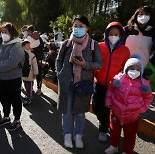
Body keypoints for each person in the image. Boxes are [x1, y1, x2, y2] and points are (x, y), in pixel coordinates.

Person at [56, 15, 102, 149]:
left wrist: (85, 64)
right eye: (75, 26)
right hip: (66, 82)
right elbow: (58, 60)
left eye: (81, 26)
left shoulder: (93, 44)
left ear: (87, 28)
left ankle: (78, 135)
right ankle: (67, 134)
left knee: (81, 112)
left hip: (83, 83)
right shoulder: (67, 43)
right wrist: (60, 74)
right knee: (67, 110)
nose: (78, 28)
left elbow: (99, 64)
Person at [105, 56, 153, 154]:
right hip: (116, 112)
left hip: (132, 116)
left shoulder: (143, 84)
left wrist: (142, 108)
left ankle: (127, 150)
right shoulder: (118, 79)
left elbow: (148, 98)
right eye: (132, 68)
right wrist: (109, 101)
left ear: (141, 71)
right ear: (126, 68)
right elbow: (111, 89)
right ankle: (114, 146)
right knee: (114, 131)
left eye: (137, 69)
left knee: (130, 135)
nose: (134, 71)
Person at [92, 22, 130, 142]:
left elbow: (125, 69)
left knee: (107, 108)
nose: (113, 36)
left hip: (113, 86)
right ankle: (102, 121)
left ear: (121, 36)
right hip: (99, 83)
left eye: (116, 34)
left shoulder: (125, 50)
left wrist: (121, 82)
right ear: (106, 34)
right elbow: (94, 63)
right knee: (96, 106)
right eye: (111, 34)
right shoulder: (100, 46)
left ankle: (103, 129)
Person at [0, 22, 24, 131]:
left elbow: (12, 62)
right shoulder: (2, 44)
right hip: (3, 77)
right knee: (4, 98)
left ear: (11, 32)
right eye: (2, 32)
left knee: (15, 99)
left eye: (5, 32)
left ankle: (17, 119)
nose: (3, 34)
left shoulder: (17, 45)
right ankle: (6, 116)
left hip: (13, 77)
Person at [27, 31, 44, 95]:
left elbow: (41, 47)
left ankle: (38, 89)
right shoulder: (31, 38)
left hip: (37, 59)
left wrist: (34, 50)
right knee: (33, 73)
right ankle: (33, 88)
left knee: (38, 73)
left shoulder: (38, 39)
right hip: (35, 58)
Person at [21, 40, 38, 106]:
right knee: (26, 85)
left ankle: (28, 97)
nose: (29, 46)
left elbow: (34, 65)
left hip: (30, 73)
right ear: (23, 46)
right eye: (27, 45)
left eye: (29, 45)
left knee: (29, 86)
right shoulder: (20, 54)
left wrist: (35, 73)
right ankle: (28, 96)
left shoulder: (31, 55)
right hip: (23, 73)